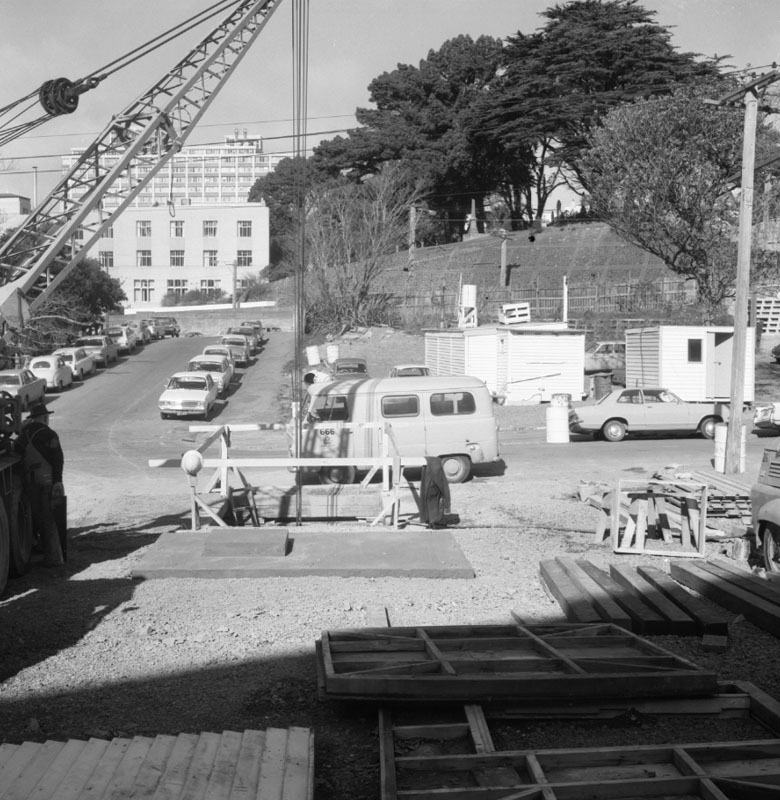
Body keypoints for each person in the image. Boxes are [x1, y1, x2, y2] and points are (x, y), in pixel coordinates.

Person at [15, 400, 65, 567]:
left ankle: (43, 549)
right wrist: (58, 481)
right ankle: (54, 558)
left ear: (32, 418)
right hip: (48, 481)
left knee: (38, 518)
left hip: (32, 482)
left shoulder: (25, 435)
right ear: (44, 417)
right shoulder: (50, 434)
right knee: (50, 519)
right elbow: (58, 459)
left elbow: (16, 453)